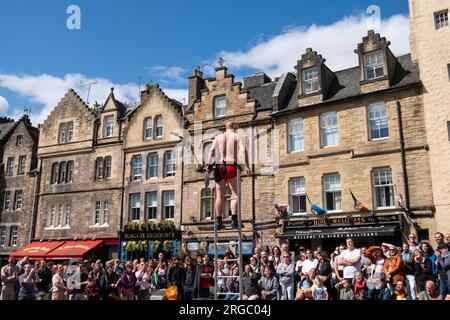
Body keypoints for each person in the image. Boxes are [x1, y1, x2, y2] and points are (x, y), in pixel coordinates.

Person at [207, 120, 251, 230]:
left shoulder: (218, 137)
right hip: (231, 166)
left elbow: (211, 152)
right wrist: (247, 166)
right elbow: (244, 150)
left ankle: (218, 221)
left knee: (219, 196)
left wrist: (208, 166)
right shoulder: (236, 136)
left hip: (219, 167)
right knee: (234, 194)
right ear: (234, 127)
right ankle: (234, 220)